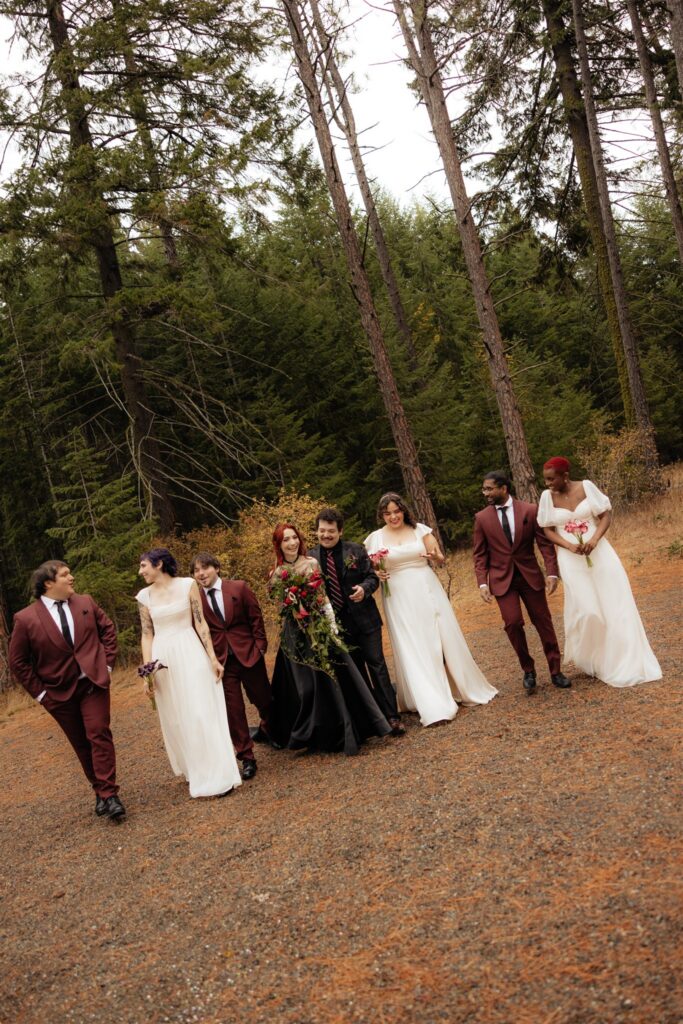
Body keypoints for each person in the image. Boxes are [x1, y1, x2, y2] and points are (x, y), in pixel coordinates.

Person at [365, 494, 497, 726]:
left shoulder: (420, 531)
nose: (393, 516)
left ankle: (458, 686)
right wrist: (377, 573)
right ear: (381, 515)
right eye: (388, 513)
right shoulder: (374, 539)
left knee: (438, 637)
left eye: (397, 511)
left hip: (426, 589)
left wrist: (436, 557)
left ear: (404, 510)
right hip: (397, 596)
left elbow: (440, 559)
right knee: (412, 643)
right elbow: (371, 570)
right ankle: (429, 700)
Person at [8, 560, 125, 821]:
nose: (71, 578)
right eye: (65, 575)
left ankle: (110, 794)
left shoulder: (86, 602)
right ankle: (100, 790)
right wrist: (41, 695)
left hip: (93, 683)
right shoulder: (25, 619)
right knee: (81, 744)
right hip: (57, 693)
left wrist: (106, 665)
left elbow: (107, 630)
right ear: (48, 583)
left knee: (98, 734)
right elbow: (18, 662)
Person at [267, 523, 392, 755]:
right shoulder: (276, 573)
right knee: (306, 687)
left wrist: (331, 623)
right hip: (296, 633)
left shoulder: (311, 563)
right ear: (279, 544)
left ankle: (345, 728)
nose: (292, 542)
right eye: (286, 540)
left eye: (294, 537)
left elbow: (323, 596)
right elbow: (279, 603)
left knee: (336, 678)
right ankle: (313, 732)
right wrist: (290, 602)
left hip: (319, 625)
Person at [538, 457, 662, 687]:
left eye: (551, 478)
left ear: (565, 475)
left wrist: (594, 540)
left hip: (600, 553)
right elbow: (547, 529)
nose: (547, 483)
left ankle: (621, 659)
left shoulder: (586, 486)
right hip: (571, 558)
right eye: (545, 479)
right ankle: (594, 657)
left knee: (615, 603)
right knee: (588, 610)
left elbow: (605, 515)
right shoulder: (547, 497)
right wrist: (568, 546)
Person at [136, 548, 241, 799]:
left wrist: (213, 659)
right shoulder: (144, 596)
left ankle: (217, 774)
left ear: (159, 564)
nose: (140, 572)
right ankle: (193, 767)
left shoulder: (187, 585)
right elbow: (147, 634)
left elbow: (200, 622)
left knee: (200, 709)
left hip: (190, 650)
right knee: (176, 716)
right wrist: (147, 670)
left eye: (143, 566)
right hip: (163, 657)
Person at [473, 470, 571, 695]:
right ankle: (528, 670)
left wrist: (552, 573)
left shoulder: (529, 510)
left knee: (543, 622)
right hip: (501, 580)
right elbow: (479, 555)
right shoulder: (482, 518)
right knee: (513, 623)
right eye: (484, 488)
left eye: (489, 488)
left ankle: (556, 671)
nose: (485, 492)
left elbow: (544, 545)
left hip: (530, 576)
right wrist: (482, 583)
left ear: (503, 488)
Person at [309, 507, 405, 736]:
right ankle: (372, 719)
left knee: (377, 666)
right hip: (337, 627)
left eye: (331, 531)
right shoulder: (310, 558)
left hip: (365, 620)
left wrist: (364, 588)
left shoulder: (356, 550)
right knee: (357, 674)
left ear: (340, 531)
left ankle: (392, 717)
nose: (326, 535)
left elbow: (373, 577)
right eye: (322, 531)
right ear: (316, 532)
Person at [191, 551, 273, 780]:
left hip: (249, 653)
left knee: (263, 697)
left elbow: (255, 617)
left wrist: (260, 647)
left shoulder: (239, 588)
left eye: (204, 568)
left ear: (216, 568)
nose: (201, 573)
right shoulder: (195, 600)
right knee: (233, 710)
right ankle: (246, 757)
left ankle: (270, 728)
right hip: (222, 662)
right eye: (196, 570)